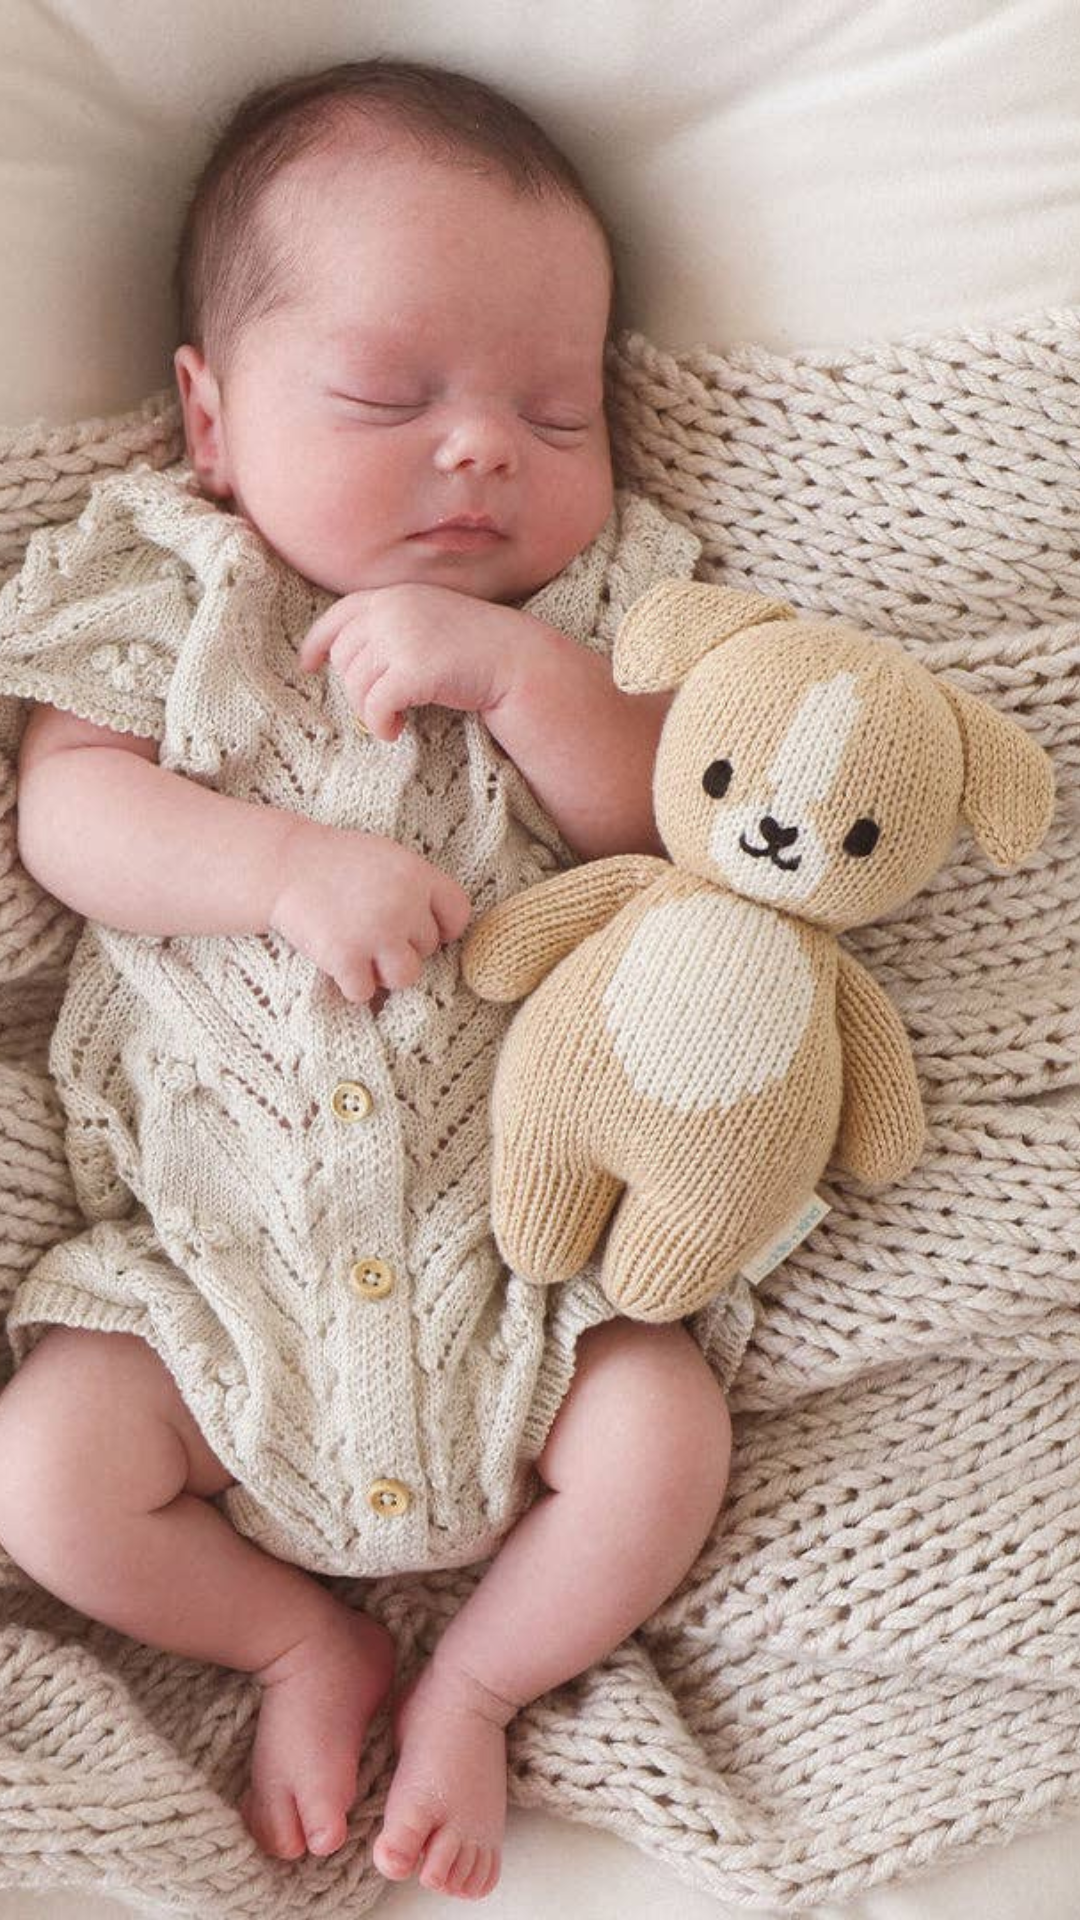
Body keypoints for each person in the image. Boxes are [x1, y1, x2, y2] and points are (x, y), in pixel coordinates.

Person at [0, 61, 731, 1902]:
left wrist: (519, 677)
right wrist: (279, 871)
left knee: (667, 1431)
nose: (482, 446)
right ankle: (289, 1644)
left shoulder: (596, 616)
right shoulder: (164, 587)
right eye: (388, 397)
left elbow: (670, 820)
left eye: (556, 412)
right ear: (213, 418)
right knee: (48, 1475)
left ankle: (478, 1679)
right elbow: (68, 821)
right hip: (205, 1300)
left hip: (525, 1289)